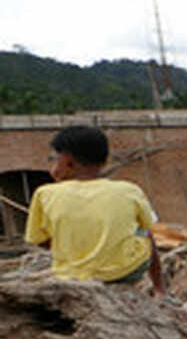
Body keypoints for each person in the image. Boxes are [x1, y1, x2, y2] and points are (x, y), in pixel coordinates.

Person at [24, 125, 167, 297]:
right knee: (144, 230)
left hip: (70, 275)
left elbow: (39, 241)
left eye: (55, 159)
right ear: (104, 161)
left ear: (67, 162)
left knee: (63, 229)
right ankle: (160, 289)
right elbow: (148, 233)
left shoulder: (44, 194)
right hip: (123, 273)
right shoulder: (129, 190)